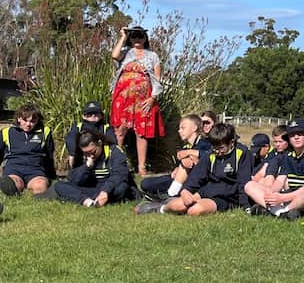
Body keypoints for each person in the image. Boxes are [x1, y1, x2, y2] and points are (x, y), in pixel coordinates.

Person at [136, 122, 253, 216]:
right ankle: (160, 208)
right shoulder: (211, 154)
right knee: (179, 205)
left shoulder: (242, 153)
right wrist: (186, 190)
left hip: (227, 198)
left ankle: (174, 207)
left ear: (231, 142)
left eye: (221, 148)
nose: (217, 151)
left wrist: (245, 206)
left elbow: (243, 183)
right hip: (207, 191)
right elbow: (197, 176)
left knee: (195, 211)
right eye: (214, 148)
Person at [243, 118, 304, 220]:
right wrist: (271, 195)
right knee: (249, 185)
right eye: (292, 135)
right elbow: (280, 180)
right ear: (289, 139)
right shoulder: (288, 156)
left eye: (300, 134)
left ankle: (278, 211)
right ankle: (283, 212)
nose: (296, 137)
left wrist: (283, 198)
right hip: (291, 194)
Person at [110, 26, 165, 176]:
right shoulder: (125, 52)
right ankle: (117, 166)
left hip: (144, 100)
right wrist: (123, 36)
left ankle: (141, 168)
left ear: (145, 38)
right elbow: (114, 55)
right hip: (123, 97)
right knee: (120, 130)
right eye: (134, 36)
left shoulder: (153, 56)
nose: (137, 39)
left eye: (140, 36)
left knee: (142, 133)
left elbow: (158, 79)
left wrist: (153, 98)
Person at [0, 104, 56, 196]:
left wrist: (52, 175)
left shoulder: (45, 132)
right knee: (14, 183)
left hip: (36, 169)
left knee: (40, 186)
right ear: (19, 118)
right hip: (14, 168)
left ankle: (39, 195)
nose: (28, 124)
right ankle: (10, 186)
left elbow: (49, 157)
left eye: (32, 121)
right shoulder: (6, 132)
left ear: (37, 120)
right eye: (25, 120)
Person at [51, 131, 135, 207]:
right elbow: (73, 179)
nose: (90, 156)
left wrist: (105, 191)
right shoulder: (81, 154)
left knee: (122, 187)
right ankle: (88, 202)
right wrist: (86, 167)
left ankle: (79, 198)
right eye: (86, 153)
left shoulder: (114, 151)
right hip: (93, 189)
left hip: (110, 189)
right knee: (59, 185)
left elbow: (120, 174)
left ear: (99, 143)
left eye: (93, 152)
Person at [139, 112, 202, 201]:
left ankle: (171, 193)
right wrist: (177, 169)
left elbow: (206, 154)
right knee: (145, 183)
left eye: (183, 128)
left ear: (194, 128)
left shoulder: (203, 143)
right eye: (179, 128)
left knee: (151, 185)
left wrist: (189, 154)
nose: (179, 131)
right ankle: (166, 192)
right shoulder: (185, 146)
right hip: (177, 179)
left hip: (190, 181)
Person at [64, 101, 117, 171]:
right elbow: (70, 140)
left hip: (102, 166)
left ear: (101, 115)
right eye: (89, 114)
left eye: (96, 113)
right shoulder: (78, 127)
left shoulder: (106, 128)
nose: (93, 116)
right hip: (82, 164)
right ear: (83, 116)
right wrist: (72, 154)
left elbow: (113, 142)